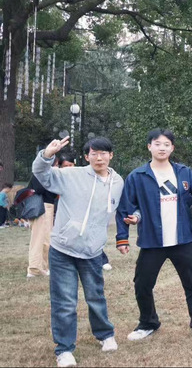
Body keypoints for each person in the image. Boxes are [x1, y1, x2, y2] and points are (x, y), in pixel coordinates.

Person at [115, 129, 192, 344]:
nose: (162, 148)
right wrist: (122, 236)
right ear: (149, 146)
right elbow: (125, 208)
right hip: (152, 241)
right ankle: (148, 323)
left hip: (183, 239)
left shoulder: (184, 172)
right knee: (142, 284)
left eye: (166, 144)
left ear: (172, 148)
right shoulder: (137, 176)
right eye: (157, 143)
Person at [33, 136, 124, 368]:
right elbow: (41, 174)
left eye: (103, 153)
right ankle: (64, 350)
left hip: (92, 251)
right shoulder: (71, 175)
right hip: (63, 249)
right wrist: (47, 155)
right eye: (94, 153)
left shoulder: (118, 182)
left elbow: (120, 208)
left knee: (96, 296)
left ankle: (105, 335)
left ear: (111, 155)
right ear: (86, 157)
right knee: (65, 301)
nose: (99, 158)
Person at [26, 154, 74, 277]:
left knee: (46, 239)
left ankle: (43, 266)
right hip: (42, 206)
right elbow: (39, 189)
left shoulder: (44, 173)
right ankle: (35, 268)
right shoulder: (41, 173)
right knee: (39, 239)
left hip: (45, 206)